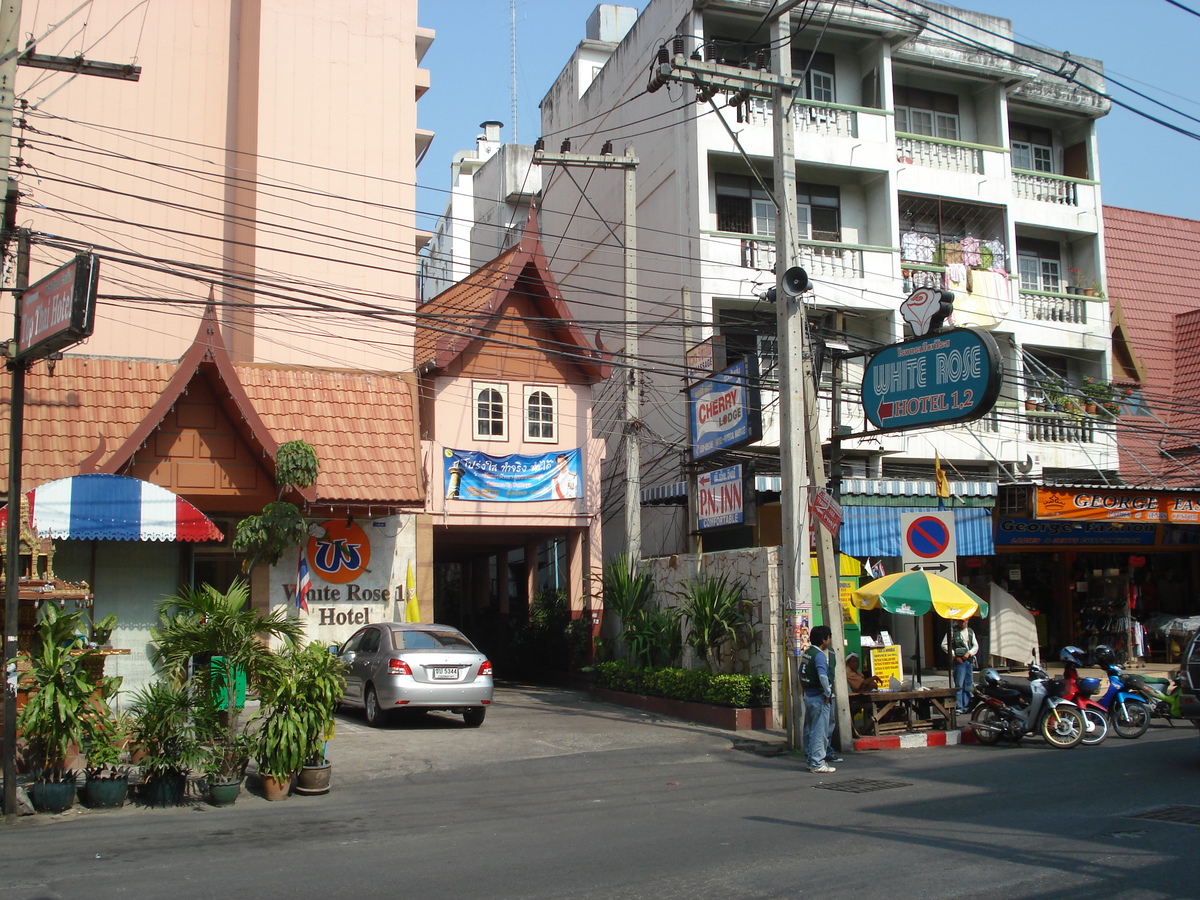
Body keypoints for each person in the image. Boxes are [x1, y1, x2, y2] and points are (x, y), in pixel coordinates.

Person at [799, 625, 837, 773]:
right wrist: (828, 693)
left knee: (810, 730)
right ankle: (817, 763)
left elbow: (800, 672)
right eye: (829, 637)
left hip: (808, 695)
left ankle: (810, 760)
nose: (830, 640)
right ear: (824, 639)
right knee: (819, 732)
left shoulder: (808, 653)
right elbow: (822, 675)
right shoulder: (820, 655)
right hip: (819, 697)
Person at [941, 617, 979, 709]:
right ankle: (959, 706)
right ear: (957, 621)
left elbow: (975, 646)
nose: (963, 623)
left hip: (968, 661)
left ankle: (967, 706)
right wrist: (955, 655)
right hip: (959, 661)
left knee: (968, 684)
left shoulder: (970, 631)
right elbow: (944, 645)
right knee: (959, 684)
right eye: (961, 621)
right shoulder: (953, 631)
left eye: (965, 620)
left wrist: (969, 653)